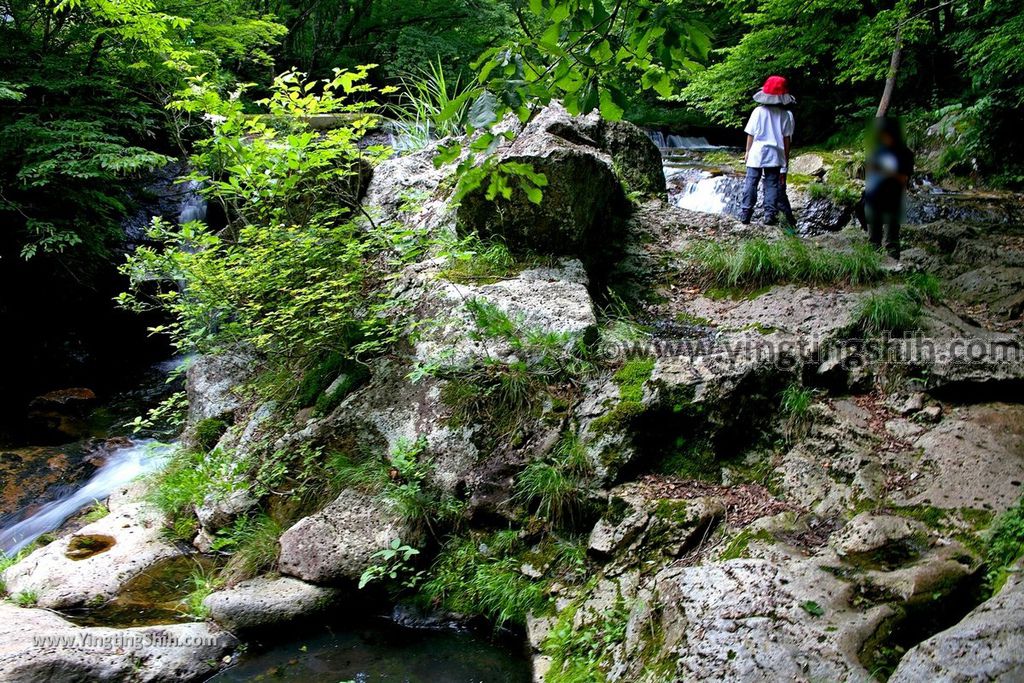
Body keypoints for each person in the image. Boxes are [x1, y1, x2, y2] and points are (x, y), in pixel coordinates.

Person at [740, 76, 796, 229]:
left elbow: (750, 134)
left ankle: (746, 212)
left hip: (757, 152)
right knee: (771, 184)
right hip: (775, 154)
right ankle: (769, 215)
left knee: (751, 182)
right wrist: (786, 160)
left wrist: (747, 152)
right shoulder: (785, 115)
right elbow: (786, 140)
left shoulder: (758, 111)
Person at [864, 116, 914, 259]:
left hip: (893, 197)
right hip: (875, 197)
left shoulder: (905, 154)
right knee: (873, 240)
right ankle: (872, 263)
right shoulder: (876, 151)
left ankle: (893, 262)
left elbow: (903, 179)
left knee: (892, 240)